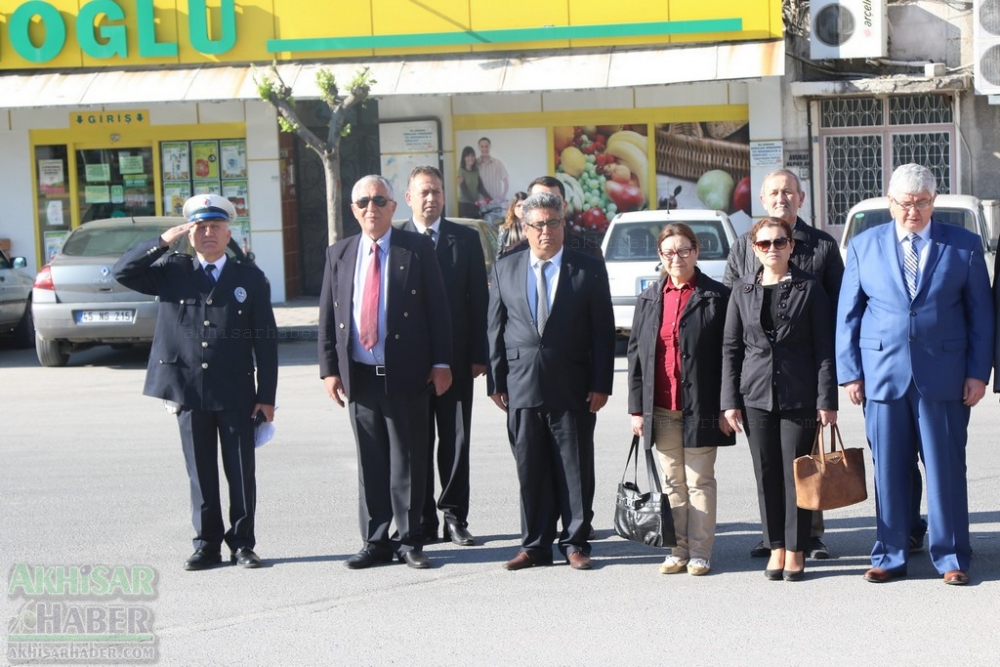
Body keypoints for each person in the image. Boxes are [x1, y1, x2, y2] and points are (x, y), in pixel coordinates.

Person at [837, 163, 993, 586]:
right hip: (882, 376)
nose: (914, 211)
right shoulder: (864, 245)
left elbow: (982, 315)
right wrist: (851, 372)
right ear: (891, 203)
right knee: (889, 469)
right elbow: (848, 315)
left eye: (923, 202)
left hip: (944, 375)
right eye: (906, 203)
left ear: (934, 201)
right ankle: (889, 554)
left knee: (945, 467)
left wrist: (979, 373)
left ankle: (952, 556)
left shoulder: (964, 245)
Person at [113, 194, 278, 571]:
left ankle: (242, 543)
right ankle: (206, 544)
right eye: (200, 227)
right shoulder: (173, 269)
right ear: (190, 234)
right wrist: (161, 241)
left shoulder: (249, 278)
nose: (207, 234)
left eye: (215, 227)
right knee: (200, 473)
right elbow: (124, 272)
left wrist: (266, 397)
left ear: (227, 232)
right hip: (187, 389)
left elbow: (265, 342)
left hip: (236, 390)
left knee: (240, 471)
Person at [318, 175, 453, 570]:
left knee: (408, 461)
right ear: (353, 209)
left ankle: (410, 541)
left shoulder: (417, 248)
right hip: (359, 376)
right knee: (370, 462)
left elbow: (438, 310)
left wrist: (442, 363)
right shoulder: (339, 254)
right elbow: (329, 317)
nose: (371, 209)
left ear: (394, 207)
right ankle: (375, 540)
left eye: (379, 201)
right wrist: (330, 369)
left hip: (407, 374)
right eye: (363, 202)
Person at [487, 191, 615, 571]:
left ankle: (575, 542)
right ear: (524, 228)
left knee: (575, 466)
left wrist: (601, 383)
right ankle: (535, 545)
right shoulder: (504, 268)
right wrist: (496, 381)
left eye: (553, 223)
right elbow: (494, 328)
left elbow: (603, 333)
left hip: (574, 385)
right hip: (521, 384)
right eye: (538, 224)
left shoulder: (586, 268)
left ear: (564, 224)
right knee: (531, 468)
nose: (546, 231)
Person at [723, 168, 844, 560]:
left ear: (801, 198)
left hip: (803, 373)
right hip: (758, 379)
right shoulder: (742, 246)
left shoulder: (823, 246)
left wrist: (830, 386)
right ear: (762, 199)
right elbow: (732, 310)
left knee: (804, 462)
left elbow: (836, 313)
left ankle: (808, 537)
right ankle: (775, 537)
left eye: (788, 192)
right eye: (774, 192)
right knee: (769, 466)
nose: (782, 198)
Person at [626, 223, 734, 577]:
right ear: (660, 255)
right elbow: (637, 358)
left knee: (699, 480)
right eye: (669, 251)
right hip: (661, 405)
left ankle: (701, 551)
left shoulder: (717, 296)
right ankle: (678, 549)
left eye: (684, 250)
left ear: (696, 251)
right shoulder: (650, 298)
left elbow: (729, 354)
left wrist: (726, 405)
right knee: (672, 482)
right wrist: (636, 409)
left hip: (702, 405)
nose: (677, 258)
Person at [400, 165, 488, 546]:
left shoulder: (464, 239)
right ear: (409, 198)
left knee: (455, 440)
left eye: (436, 191)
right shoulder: (396, 238)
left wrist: (479, 354)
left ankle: (454, 516)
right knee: (414, 443)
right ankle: (420, 519)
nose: (430, 199)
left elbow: (478, 301)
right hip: (409, 363)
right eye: (423, 192)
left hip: (455, 360)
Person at [505, 177, 604, 260]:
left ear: (564, 205)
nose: (547, 206)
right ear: (528, 208)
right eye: (539, 200)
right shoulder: (511, 257)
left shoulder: (589, 252)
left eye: (554, 200)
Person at [457, 146, 491, 219]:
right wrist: (474, 201)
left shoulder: (476, 170)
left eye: (472, 156)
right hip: (464, 205)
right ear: (464, 158)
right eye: (467, 156)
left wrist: (490, 198)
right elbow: (464, 190)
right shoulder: (460, 171)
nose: (470, 158)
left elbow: (481, 187)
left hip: (475, 205)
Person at [477, 137, 509, 208]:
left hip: (495, 203)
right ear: (479, 148)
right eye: (482, 146)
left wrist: (503, 195)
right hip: (481, 203)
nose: (484, 149)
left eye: (486, 146)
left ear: (490, 147)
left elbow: (506, 181)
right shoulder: (475, 164)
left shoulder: (497, 163)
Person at [496, 191, 527, 260]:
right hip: (510, 264)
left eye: (525, 206)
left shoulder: (534, 226)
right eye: (519, 206)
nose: (522, 209)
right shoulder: (505, 228)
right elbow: (500, 254)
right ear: (513, 208)